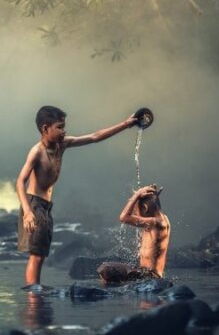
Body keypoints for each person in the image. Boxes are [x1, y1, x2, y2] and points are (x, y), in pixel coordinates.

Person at [16, 105, 139, 286]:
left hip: (45, 206)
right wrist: (27, 212)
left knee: (41, 255)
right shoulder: (37, 152)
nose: (64, 131)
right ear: (45, 128)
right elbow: (20, 182)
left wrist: (126, 124)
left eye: (64, 126)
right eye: (59, 127)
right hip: (34, 205)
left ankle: (36, 292)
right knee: (36, 256)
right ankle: (33, 298)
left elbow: (95, 136)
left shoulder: (62, 144)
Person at [98, 184, 170, 283]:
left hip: (150, 276)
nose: (135, 215)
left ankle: (106, 294)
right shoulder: (161, 220)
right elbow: (153, 206)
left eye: (136, 212)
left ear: (145, 209)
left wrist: (137, 194)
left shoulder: (156, 222)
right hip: (144, 273)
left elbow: (123, 217)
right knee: (108, 268)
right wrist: (153, 198)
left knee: (104, 269)